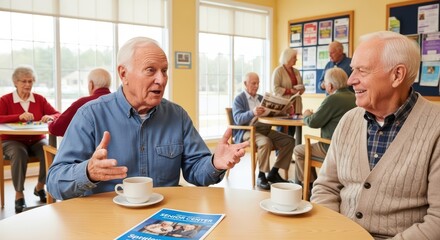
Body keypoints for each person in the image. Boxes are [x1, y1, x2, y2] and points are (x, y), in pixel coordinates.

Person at [46, 37, 248, 200]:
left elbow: (196, 170)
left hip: (164, 220)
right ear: (123, 74)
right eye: (151, 70)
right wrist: (88, 172)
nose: (161, 79)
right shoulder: (90, 115)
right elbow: (55, 183)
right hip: (107, 220)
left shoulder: (177, 116)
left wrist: (215, 163)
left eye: (164, 71)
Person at [311, 31, 440, 239]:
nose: (351, 80)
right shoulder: (348, 120)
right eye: (353, 70)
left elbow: (437, 221)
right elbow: (325, 188)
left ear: (397, 75)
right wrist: (332, 233)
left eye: (362, 70)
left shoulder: (436, 127)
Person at [0, 65, 60, 213]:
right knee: (19, 153)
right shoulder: (5, 100)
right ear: (16, 82)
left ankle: (40, 186)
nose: (27, 85)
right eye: (24, 81)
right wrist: (17, 117)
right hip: (11, 140)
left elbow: (58, 114)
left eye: (30, 81)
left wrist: (50, 117)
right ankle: (19, 195)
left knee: (50, 151)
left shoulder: (39, 99)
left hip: (36, 139)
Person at [293, 67, 356, 188]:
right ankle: (314, 184)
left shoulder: (332, 99)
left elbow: (313, 122)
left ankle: (310, 186)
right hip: (350, 148)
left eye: (325, 83)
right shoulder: (354, 97)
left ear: (331, 86)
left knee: (299, 151)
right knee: (306, 149)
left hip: (330, 147)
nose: (324, 85)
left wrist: (306, 115)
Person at [232, 72, 295, 190]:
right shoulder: (239, 99)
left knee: (289, 140)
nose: (256, 86)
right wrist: (252, 112)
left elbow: (271, 115)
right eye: (253, 83)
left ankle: (274, 173)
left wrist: (285, 110)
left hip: (265, 129)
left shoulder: (261, 98)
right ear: (245, 84)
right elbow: (237, 119)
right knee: (265, 142)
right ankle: (261, 176)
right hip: (248, 131)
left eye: (258, 83)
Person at [48, 68, 111, 136]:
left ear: (91, 85)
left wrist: (50, 122)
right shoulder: (119, 102)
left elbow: (56, 129)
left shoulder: (83, 103)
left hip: (89, 146)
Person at [272, 48, 305, 137]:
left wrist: (301, 90)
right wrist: (290, 91)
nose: (296, 59)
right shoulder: (278, 71)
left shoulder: (296, 71)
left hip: (296, 105)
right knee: (282, 134)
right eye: (294, 57)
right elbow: (275, 88)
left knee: (292, 133)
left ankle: (294, 150)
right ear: (288, 58)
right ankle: (281, 151)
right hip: (284, 106)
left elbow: (301, 86)